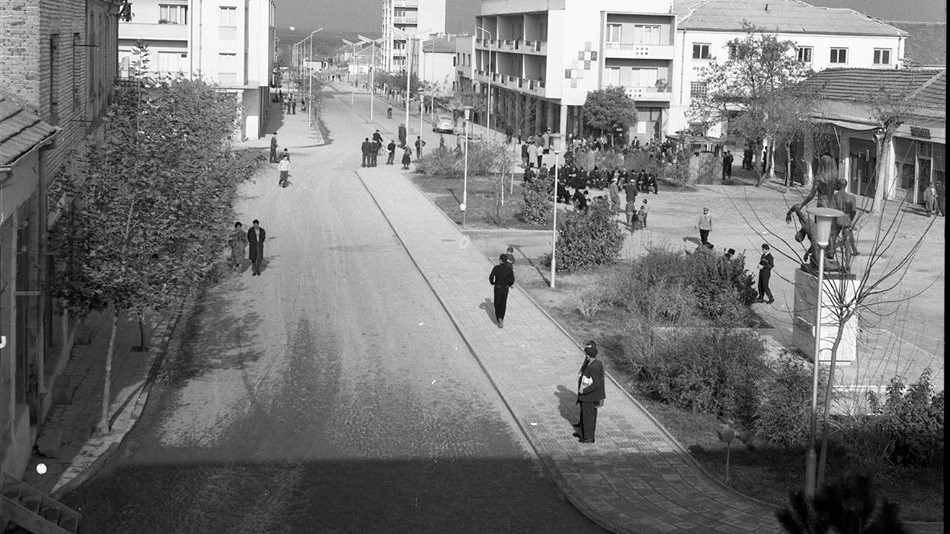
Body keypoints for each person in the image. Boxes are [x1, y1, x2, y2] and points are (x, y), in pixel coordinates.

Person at [574, 340, 605, 443]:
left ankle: (589, 437)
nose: (585, 357)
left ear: (588, 355)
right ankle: (582, 433)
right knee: (585, 415)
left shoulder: (592, 368)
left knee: (589, 417)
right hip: (590, 396)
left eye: (586, 355)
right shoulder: (598, 363)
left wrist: (584, 390)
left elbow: (596, 383)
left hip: (589, 397)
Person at [488, 253, 515, 328]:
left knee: (497, 303)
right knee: (503, 303)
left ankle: (499, 318)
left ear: (500, 260)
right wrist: (508, 284)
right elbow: (512, 280)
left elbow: (491, 277)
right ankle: (501, 318)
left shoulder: (496, 268)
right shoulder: (509, 269)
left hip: (497, 288)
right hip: (505, 288)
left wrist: (492, 282)